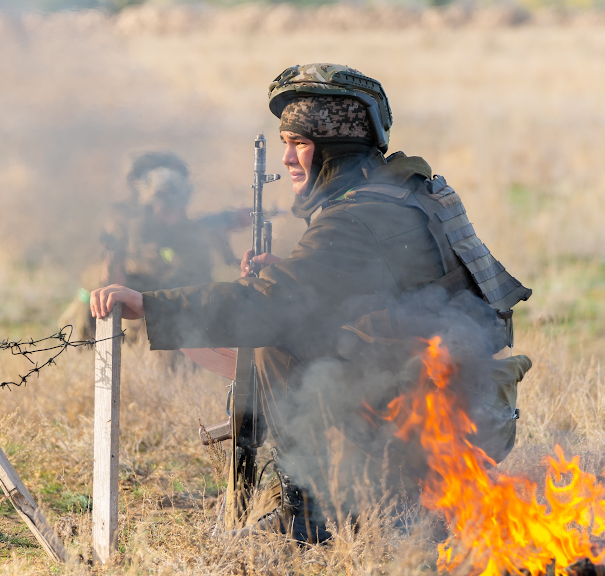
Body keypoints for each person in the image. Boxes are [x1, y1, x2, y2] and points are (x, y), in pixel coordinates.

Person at [91, 64, 532, 541]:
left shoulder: (357, 216)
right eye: (285, 143)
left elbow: (267, 308)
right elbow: (385, 292)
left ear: (335, 150)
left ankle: (308, 514)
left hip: (428, 426)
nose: (286, 159)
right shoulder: (409, 190)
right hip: (469, 407)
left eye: (300, 143)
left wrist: (149, 305)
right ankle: (394, 503)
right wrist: (292, 277)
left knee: (279, 331)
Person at [59, 151, 244, 343]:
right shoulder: (126, 226)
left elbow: (197, 280)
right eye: (165, 209)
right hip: (120, 312)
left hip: (164, 314)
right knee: (95, 292)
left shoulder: (190, 233)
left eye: (177, 209)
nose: (172, 217)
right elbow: (106, 277)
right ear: (150, 204)